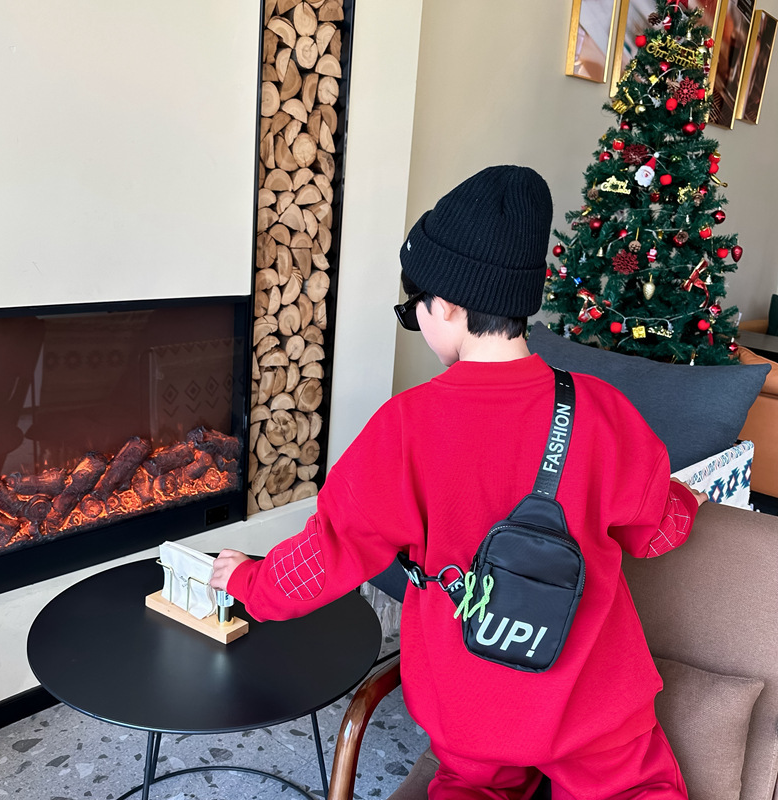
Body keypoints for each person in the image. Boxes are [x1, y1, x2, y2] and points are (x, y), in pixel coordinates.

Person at [212, 165, 707, 799]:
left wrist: (249, 584)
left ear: (445, 305)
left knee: (471, 787)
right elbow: (657, 530)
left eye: (412, 310)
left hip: (473, 713)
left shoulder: (405, 428)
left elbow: (327, 553)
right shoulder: (602, 409)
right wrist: (687, 500)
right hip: (594, 703)